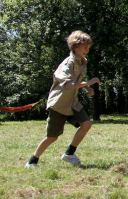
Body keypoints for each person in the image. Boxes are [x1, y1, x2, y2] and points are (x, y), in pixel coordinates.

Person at [24, 31, 100, 168]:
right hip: (59, 105)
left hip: (72, 104)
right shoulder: (67, 63)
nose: (87, 50)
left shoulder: (83, 62)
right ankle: (32, 161)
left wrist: (86, 88)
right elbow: (68, 84)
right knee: (52, 137)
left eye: (88, 47)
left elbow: (78, 79)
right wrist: (88, 83)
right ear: (75, 46)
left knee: (87, 124)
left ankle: (69, 154)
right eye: (85, 47)